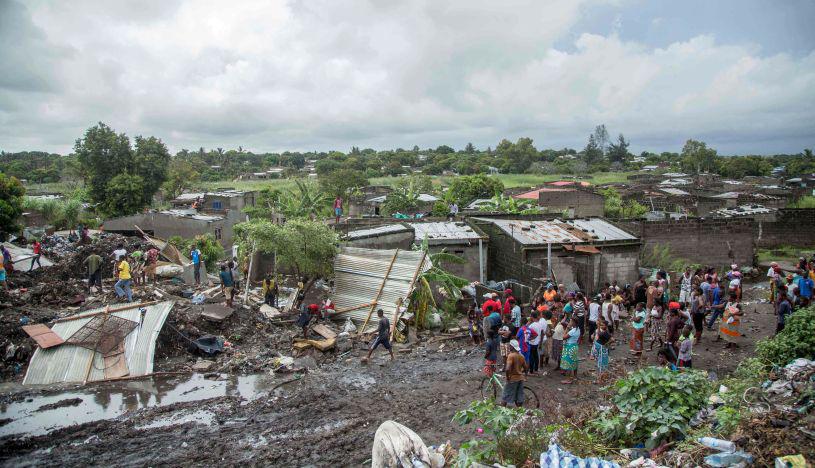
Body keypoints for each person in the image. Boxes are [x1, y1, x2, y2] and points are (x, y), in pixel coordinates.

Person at [502, 339, 527, 407]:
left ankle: (501, 411)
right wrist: (525, 376)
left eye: (510, 346)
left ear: (512, 347)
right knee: (519, 397)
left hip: (512, 379)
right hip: (520, 379)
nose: (509, 347)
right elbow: (526, 367)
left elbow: (507, 369)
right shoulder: (522, 356)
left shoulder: (511, 356)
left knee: (505, 396)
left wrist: (507, 377)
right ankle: (520, 412)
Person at [560, 317, 580, 384]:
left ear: (574, 323)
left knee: (568, 363)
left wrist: (567, 328)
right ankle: (575, 376)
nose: (569, 323)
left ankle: (568, 379)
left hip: (569, 347)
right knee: (574, 361)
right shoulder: (578, 329)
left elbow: (563, 337)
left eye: (571, 321)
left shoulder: (572, 331)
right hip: (574, 346)